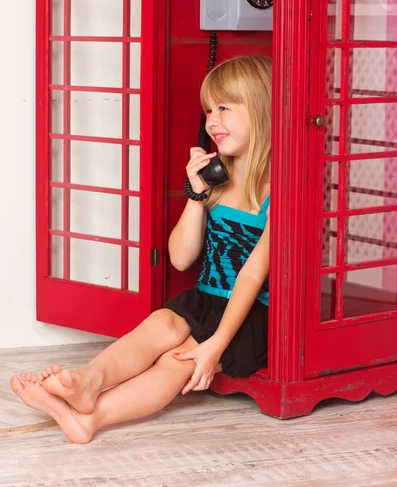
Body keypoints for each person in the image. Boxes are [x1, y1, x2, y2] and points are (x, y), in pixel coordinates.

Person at [10, 54, 272, 444]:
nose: (211, 121)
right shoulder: (217, 180)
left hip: (250, 315)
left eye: (223, 108)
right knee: (158, 325)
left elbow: (253, 273)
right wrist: (197, 195)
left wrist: (216, 343)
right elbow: (180, 257)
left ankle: (94, 417)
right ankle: (86, 382)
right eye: (207, 111)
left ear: (261, 111)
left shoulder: (281, 192)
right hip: (206, 298)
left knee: (177, 357)